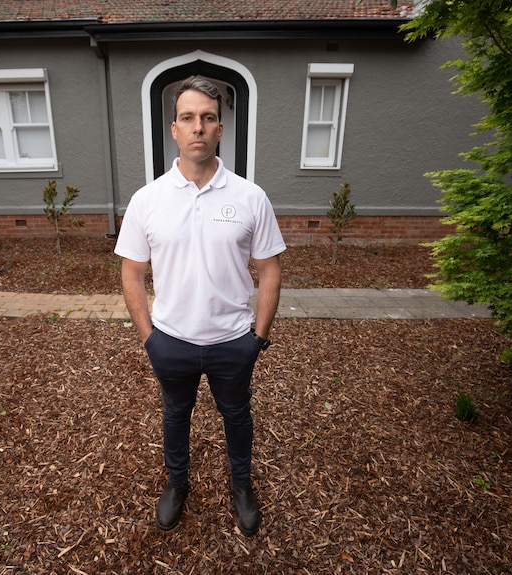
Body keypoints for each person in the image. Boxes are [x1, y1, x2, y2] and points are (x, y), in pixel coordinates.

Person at [114, 76, 286, 536]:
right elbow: (132, 271)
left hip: (234, 341)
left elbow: (270, 269)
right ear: (174, 129)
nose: (198, 127)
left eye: (208, 118)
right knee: (175, 414)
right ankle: (176, 484)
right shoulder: (147, 200)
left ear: (220, 129)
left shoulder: (250, 197)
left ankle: (242, 486)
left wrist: (259, 338)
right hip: (171, 340)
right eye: (188, 118)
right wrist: (149, 337)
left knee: (237, 415)